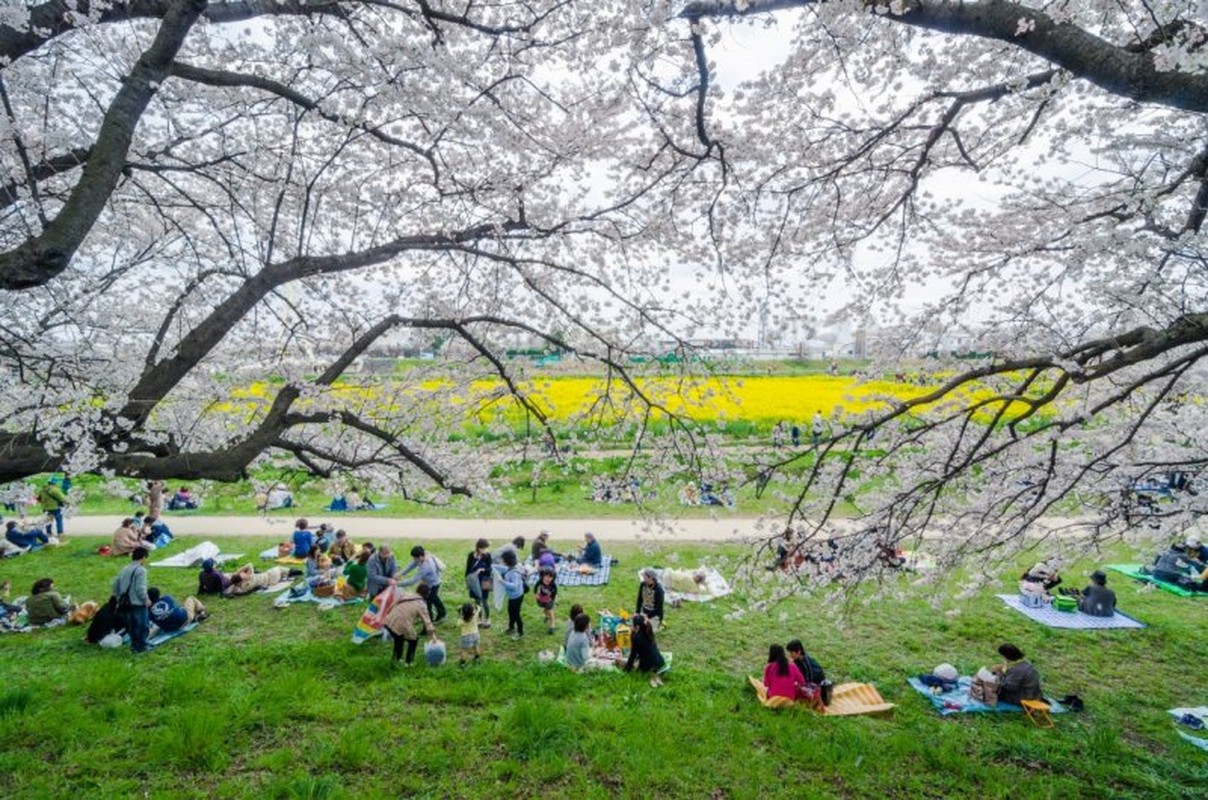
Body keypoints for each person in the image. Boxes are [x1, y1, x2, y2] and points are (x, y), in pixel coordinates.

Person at [382, 584, 437, 666]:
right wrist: (433, 637)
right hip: (402, 624)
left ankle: (395, 660)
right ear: (427, 595)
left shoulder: (405, 594)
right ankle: (409, 662)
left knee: (399, 640)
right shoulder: (421, 605)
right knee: (413, 640)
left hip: (389, 621)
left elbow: (392, 605)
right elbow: (427, 622)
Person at [112, 548, 151, 652]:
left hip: (125, 602)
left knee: (132, 626)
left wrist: (118, 597)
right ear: (143, 557)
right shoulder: (141, 570)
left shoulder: (125, 568)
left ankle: (134, 646)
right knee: (142, 626)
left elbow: (115, 584)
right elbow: (140, 588)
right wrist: (146, 599)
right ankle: (142, 646)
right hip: (137, 602)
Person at [399, 545, 446, 623]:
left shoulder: (426, 566)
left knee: (428, 603)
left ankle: (428, 623)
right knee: (434, 598)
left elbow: (413, 580)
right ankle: (442, 614)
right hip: (429, 582)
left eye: (415, 558)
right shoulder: (423, 556)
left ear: (420, 556)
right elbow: (411, 565)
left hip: (433, 584)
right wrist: (400, 574)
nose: (414, 560)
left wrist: (397, 584)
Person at [624, 613, 667, 687]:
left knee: (620, 660)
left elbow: (633, 655)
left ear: (637, 627)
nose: (630, 626)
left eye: (631, 624)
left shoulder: (636, 637)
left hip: (648, 667)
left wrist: (626, 669)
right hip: (660, 662)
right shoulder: (648, 630)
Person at [493, 550, 526, 638]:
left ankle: (520, 632)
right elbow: (503, 568)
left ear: (506, 561)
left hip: (516, 597)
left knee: (516, 614)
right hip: (514, 596)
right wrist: (492, 566)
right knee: (510, 612)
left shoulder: (513, 573)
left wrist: (502, 582)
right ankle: (511, 628)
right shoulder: (510, 568)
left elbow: (514, 586)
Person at [465, 538, 493, 628]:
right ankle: (479, 618)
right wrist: (467, 580)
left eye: (486, 548)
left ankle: (488, 618)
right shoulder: (471, 555)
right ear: (478, 548)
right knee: (477, 600)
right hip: (474, 580)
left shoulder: (487, 555)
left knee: (484, 600)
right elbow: (468, 569)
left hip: (485, 579)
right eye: (483, 548)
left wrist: (482, 569)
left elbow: (490, 569)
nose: (485, 550)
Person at [226, 564, 291, 596]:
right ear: (243, 578)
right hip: (270, 576)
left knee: (281, 573)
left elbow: (238, 592)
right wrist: (236, 572)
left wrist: (234, 579)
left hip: (269, 581)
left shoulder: (242, 587)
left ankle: (289, 573)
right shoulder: (250, 576)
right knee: (278, 568)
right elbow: (249, 565)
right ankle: (293, 571)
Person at [534, 567, 558, 634]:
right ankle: (546, 616)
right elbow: (536, 586)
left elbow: (555, 592)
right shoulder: (540, 581)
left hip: (549, 599)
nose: (547, 578)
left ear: (553, 578)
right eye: (546, 576)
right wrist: (536, 594)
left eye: (550, 577)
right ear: (543, 576)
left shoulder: (553, 585)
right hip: (542, 598)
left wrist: (551, 599)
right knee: (544, 610)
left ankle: (552, 625)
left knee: (550, 610)